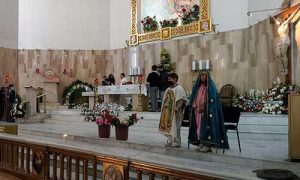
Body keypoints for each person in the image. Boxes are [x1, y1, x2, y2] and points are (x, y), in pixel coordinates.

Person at [188, 70, 229, 152]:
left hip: (208, 112)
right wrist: (195, 106)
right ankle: (201, 143)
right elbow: (193, 98)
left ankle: (208, 145)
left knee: (207, 127)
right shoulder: (197, 87)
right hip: (197, 112)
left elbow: (213, 101)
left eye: (205, 75)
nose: (203, 77)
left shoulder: (211, 88)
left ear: (208, 76)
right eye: (202, 75)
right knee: (199, 128)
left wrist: (205, 108)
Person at [159, 73, 188, 147]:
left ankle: (177, 141)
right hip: (168, 112)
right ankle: (170, 140)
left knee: (177, 127)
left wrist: (176, 108)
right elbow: (165, 100)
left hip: (177, 112)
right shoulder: (168, 89)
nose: (168, 80)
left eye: (170, 79)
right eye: (168, 79)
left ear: (175, 79)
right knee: (169, 126)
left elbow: (181, 100)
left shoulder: (179, 88)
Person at [276, 7, 300, 75]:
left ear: (282, 20)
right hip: (280, 41)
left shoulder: (285, 23)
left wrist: (298, 8)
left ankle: (285, 68)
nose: (278, 22)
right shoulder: (279, 28)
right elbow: (274, 19)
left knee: (283, 54)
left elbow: (292, 16)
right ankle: (282, 68)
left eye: (279, 20)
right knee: (279, 55)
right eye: (278, 21)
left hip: (285, 39)